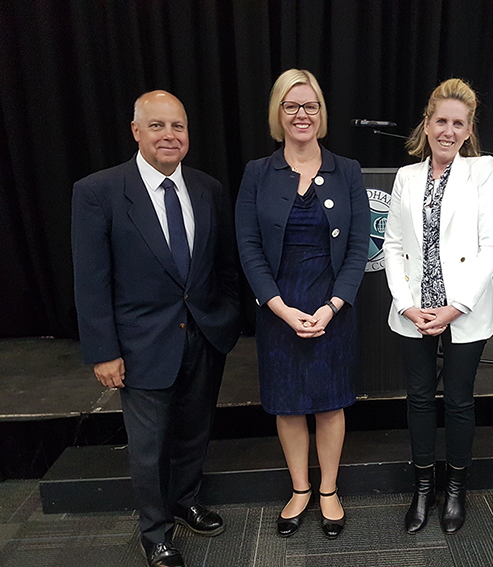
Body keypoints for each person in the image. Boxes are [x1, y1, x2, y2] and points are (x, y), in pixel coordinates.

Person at [72, 90, 242, 567]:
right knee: (148, 448)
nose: (170, 135)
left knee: (193, 431)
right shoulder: (97, 192)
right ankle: (155, 530)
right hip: (140, 344)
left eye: (178, 127)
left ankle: (185, 501)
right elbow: (91, 281)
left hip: (204, 336)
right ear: (136, 132)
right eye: (158, 126)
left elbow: (224, 265)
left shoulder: (207, 188)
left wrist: (225, 317)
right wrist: (103, 351)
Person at [235, 69, 369, 540]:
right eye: (291, 106)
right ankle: (300, 488)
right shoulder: (257, 172)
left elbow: (358, 249)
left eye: (309, 105)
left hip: (333, 308)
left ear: (321, 112)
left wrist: (333, 306)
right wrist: (280, 308)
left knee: (331, 405)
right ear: (278, 113)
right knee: (289, 405)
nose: (301, 115)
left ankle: (329, 491)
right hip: (279, 309)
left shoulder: (347, 171)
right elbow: (248, 246)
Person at [383, 78, 493, 535]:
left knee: (457, 401)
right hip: (414, 310)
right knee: (417, 400)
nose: (448, 131)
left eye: (458, 123)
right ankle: (422, 489)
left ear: (469, 129)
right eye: (441, 121)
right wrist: (406, 304)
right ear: (427, 124)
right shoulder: (406, 176)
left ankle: (455, 490)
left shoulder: (482, 171)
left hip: (463, 311)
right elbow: (393, 245)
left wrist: (456, 307)